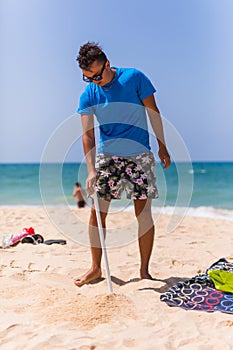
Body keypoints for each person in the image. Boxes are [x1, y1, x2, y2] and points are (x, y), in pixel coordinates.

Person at [74, 42, 170, 287]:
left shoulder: (135, 78)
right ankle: (95, 268)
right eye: (89, 78)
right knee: (97, 214)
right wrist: (91, 170)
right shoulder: (89, 94)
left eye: (98, 74)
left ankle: (144, 271)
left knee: (144, 214)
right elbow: (87, 135)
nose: (96, 81)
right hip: (108, 158)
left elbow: (153, 112)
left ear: (108, 64)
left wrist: (162, 145)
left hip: (139, 155)